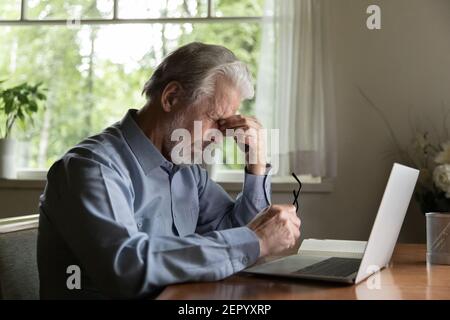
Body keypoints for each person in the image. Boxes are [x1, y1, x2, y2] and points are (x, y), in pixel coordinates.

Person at [37, 42, 301, 299]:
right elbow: (126, 268)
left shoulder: (187, 170)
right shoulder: (92, 167)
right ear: (171, 97)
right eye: (215, 119)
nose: (221, 136)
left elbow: (244, 240)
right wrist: (255, 240)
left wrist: (256, 166)